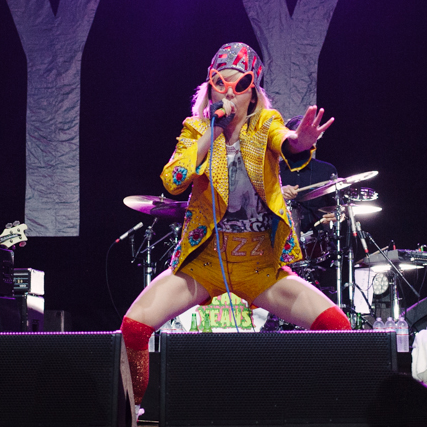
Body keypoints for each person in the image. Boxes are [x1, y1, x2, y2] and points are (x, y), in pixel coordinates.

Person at [120, 42, 352, 407]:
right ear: (209, 87)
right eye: (219, 83)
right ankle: (133, 414)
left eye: (239, 84)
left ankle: (327, 411)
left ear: (253, 91)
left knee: (337, 327)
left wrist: (300, 141)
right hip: (204, 264)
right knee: (133, 328)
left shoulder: (265, 124)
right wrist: (213, 131)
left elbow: (286, 141)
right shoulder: (196, 129)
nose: (228, 92)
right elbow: (173, 180)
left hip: (261, 267)